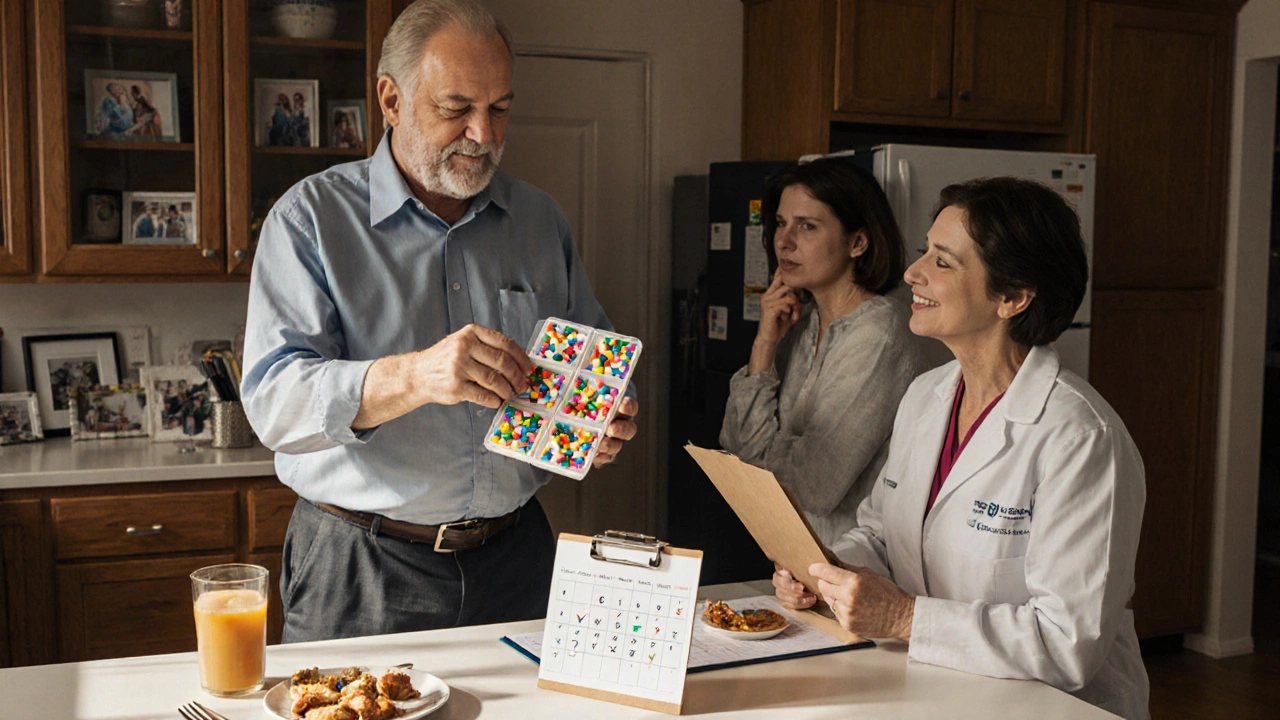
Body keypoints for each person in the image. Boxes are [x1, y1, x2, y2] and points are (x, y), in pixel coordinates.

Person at [241, 0, 639, 644]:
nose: (483, 134)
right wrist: (416, 376)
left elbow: (589, 361)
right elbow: (273, 406)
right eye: (457, 108)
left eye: (500, 108)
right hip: (361, 569)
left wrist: (600, 419)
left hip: (519, 558)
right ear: (391, 100)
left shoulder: (541, 222)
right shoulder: (308, 220)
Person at [772, 177, 1149, 719]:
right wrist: (827, 573)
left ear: (1014, 297)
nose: (911, 272)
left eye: (943, 262)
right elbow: (880, 533)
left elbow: (1069, 642)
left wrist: (904, 619)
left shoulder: (1082, 438)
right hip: (934, 691)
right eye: (925, 250)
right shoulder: (926, 396)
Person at [719, 159, 922, 547]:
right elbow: (735, 446)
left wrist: (760, 458)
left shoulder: (879, 336)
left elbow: (812, 486)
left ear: (858, 242)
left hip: (855, 570)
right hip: (798, 563)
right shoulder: (803, 322)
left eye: (807, 226)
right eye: (781, 223)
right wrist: (764, 344)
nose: (784, 241)